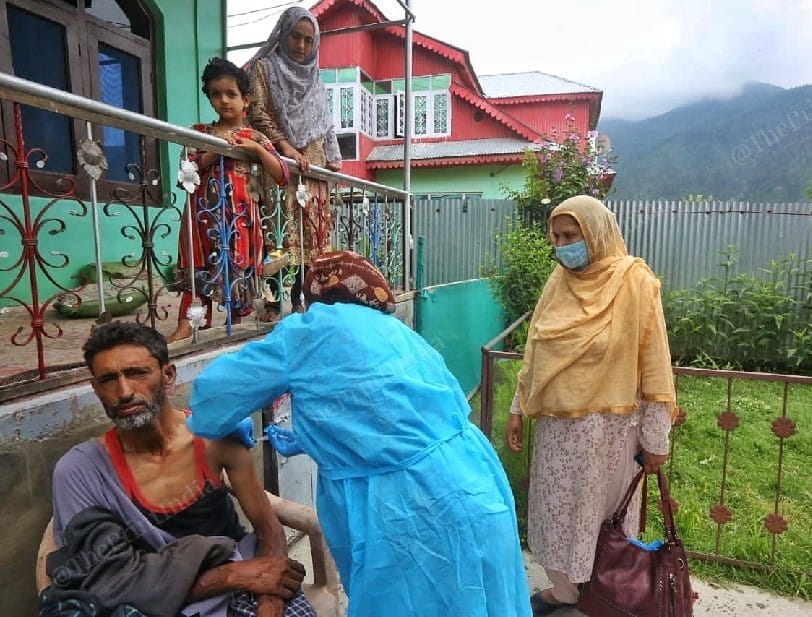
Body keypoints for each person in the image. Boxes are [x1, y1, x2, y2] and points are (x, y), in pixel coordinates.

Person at [187, 250, 532, 617]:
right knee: (486, 596)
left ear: (314, 294)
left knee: (408, 604)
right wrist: (309, 439)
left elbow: (213, 396)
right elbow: (395, 416)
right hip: (475, 481)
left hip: (403, 507)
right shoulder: (398, 331)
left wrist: (222, 422)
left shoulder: (307, 331)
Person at [45, 321, 313, 617]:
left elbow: (268, 529)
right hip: (152, 606)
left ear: (168, 375)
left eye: (137, 373)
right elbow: (109, 583)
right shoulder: (79, 470)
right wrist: (231, 576)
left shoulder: (216, 438)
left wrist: (270, 602)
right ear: (96, 389)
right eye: (108, 379)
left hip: (244, 585)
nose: (124, 392)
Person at [505, 195, 678, 616]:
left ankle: (605, 593)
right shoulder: (558, 282)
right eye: (557, 236)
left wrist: (657, 440)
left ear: (596, 234)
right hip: (558, 433)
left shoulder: (634, 282)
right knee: (556, 516)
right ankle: (565, 590)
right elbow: (536, 351)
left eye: (571, 235)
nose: (563, 245)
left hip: (610, 435)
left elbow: (654, 366)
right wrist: (517, 407)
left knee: (604, 522)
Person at [169, 57, 289, 342]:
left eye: (231, 94)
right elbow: (187, 170)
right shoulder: (199, 133)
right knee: (199, 267)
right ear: (209, 97)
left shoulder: (255, 136)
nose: (223, 100)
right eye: (216, 94)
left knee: (237, 266)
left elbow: (282, 174)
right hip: (202, 214)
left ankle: (234, 323)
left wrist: (257, 152)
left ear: (246, 100)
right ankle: (189, 324)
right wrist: (219, 151)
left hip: (240, 216)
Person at [245, 7, 343, 320]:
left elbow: (325, 122)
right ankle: (274, 300)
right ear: (282, 34)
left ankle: (300, 296)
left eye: (308, 40)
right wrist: (285, 147)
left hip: (311, 168)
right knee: (277, 233)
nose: (301, 46)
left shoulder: (315, 78)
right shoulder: (264, 68)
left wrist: (333, 159)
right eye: (295, 37)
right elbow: (256, 112)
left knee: (309, 238)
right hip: (279, 165)